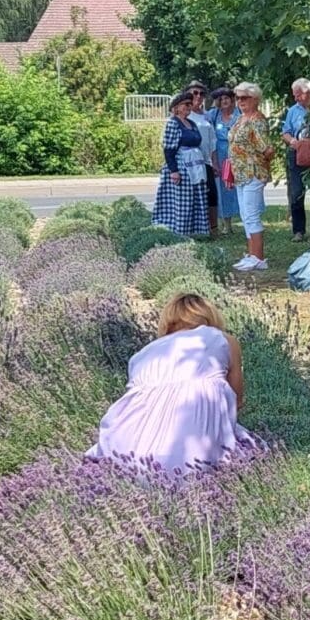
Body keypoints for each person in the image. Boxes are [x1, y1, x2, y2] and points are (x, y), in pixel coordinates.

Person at [85, 292, 254, 472]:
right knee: (248, 448)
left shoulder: (142, 354)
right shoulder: (223, 340)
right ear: (211, 316)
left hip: (125, 453)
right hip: (193, 455)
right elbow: (237, 401)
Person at [227, 82, 275, 272]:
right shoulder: (241, 119)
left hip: (253, 172)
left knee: (252, 214)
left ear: (255, 98)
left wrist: (257, 160)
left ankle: (258, 257)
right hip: (240, 173)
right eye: (237, 98)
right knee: (246, 215)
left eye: (244, 97)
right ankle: (251, 254)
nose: (240, 101)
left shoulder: (257, 120)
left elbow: (267, 148)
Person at [152, 91, 210, 238]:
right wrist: (174, 170)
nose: (189, 107)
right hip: (181, 166)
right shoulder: (173, 123)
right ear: (176, 107)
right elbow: (169, 149)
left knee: (195, 198)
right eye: (186, 104)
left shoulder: (192, 123)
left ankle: (196, 231)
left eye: (190, 104)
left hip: (195, 165)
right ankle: (179, 232)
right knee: (181, 201)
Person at [282, 77, 310, 242]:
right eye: (294, 95)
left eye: (298, 94)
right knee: (297, 192)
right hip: (298, 153)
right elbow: (285, 132)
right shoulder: (293, 111)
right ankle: (299, 231)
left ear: (309, 93)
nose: (296, 98)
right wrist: (293, 142)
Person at [186, 83, 219, 236]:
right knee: (193, 195)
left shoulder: (206, 116)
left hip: (206, 161)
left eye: (201, 94)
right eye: (195, 93)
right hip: (190, 162)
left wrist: (215, 163)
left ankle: (213, 228)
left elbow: (212, 142)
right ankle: (193, 228)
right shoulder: (184, 116)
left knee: (212, 194)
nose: (198, 97)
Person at [208, 87, 241, 233]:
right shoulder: (213, 115)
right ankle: (226, 224)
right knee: (222, 188)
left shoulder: (240, 114)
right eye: (220, 99)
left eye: (226, 98)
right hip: (220, 155)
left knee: (239, 186)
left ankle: (246, 219)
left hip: (238, 154)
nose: (224, 101)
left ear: (232, 99)